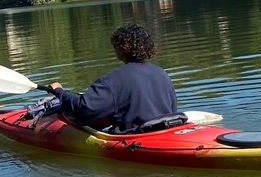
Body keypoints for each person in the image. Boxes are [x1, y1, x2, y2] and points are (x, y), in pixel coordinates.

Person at [49, 23, 179, 133]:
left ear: (122, 48)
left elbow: (85, 108)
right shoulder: (162, 73)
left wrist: (59, 92)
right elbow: (173, 109)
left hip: (136, 138)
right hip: (165, 133)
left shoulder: (114, 80)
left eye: (115, 46)